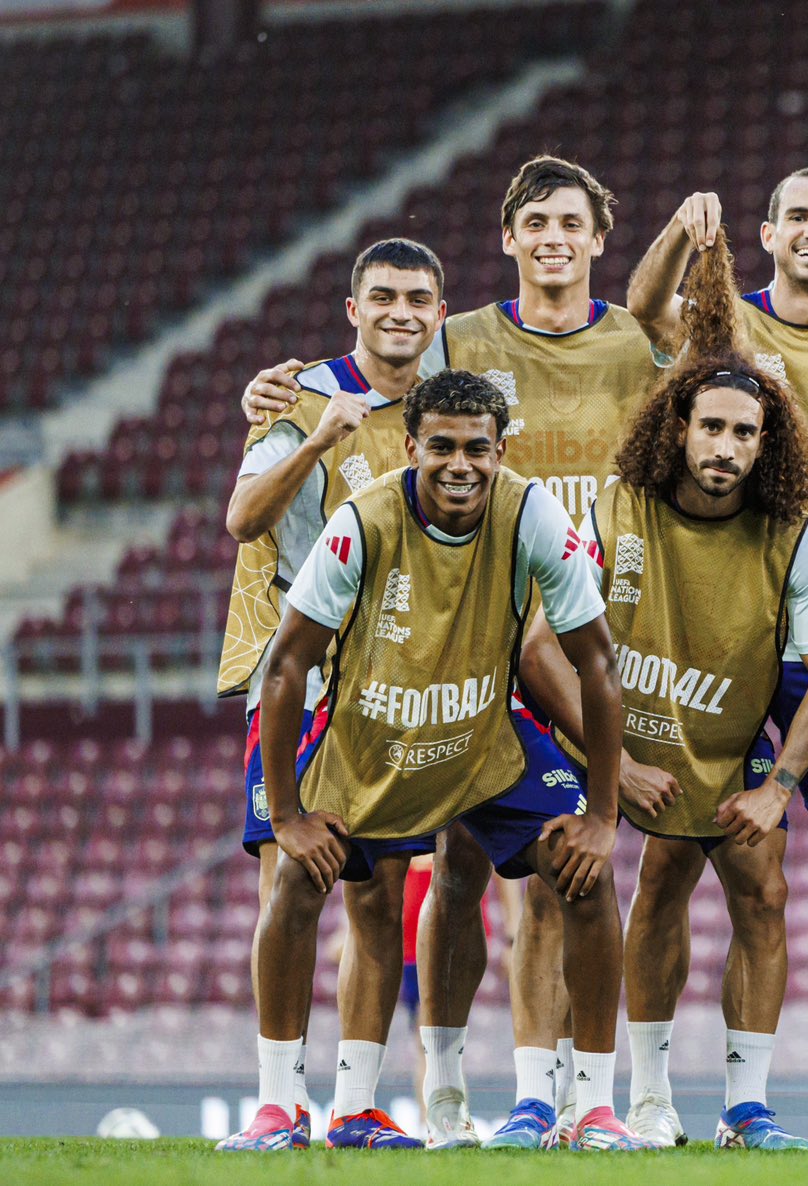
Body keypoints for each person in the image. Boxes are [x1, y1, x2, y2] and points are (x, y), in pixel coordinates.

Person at [241, 155, 669, 1148]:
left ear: (500, 447)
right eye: (444, 447)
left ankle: (593, 1103)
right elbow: (289, 662)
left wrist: (604, 809)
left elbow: (593, 664)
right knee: (317, 878)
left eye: (479, 447)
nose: (463, 463)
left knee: (585, 872)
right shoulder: (360, 516)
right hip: (367, 714)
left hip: (482, 722)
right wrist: (294, 808)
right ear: (413, 448)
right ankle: (288, 1103)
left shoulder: (533, 518)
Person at [529, 227, 808, 1150]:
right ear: (679, 426)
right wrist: (616, 763)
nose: (726, 445)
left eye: (745, 432)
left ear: (767, 442)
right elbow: (540, 649)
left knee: (760, 888)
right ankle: (646, 1097)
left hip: (727, 740)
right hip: (622, 739)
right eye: (711, 425)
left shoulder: (788, 532)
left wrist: (778, 787)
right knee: (611, 885)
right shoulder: (614, 506)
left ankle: (747, 1108)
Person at [622, 169, 808, 1147]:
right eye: (797, 216)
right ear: (767, 230)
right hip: (728, 632)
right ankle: (651, 1095)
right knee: (674, 869)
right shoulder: (723, 335)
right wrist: (677, 223)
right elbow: (635, 313)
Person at [215, 238, 447, 1149]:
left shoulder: (449, 402)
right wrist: (315, 439)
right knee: (290, 889)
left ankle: (354, 1104)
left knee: (382, 897)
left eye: (418, 298)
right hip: (300, 681)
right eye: (382, 296)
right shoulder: (300, 397)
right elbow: (242, 520)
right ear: (353, 308)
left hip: (402, 690)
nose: (400, 311)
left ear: (439, 312)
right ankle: (277, 1101)